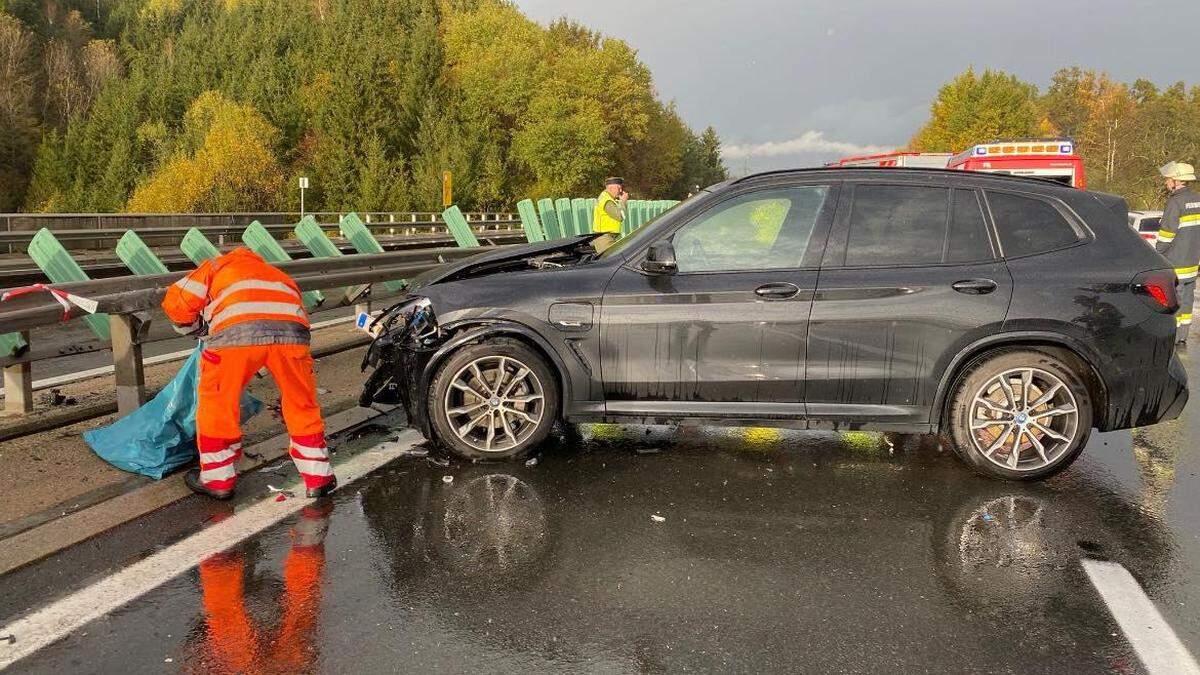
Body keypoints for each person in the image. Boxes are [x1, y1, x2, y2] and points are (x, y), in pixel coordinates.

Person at [162, 247, 336, 499]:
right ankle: (319, 477)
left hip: (236, 337)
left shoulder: (215, 267)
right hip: (293, 337)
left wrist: (195, 329)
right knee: (301, 404)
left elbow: (176, 302)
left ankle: (218, 481)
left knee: (218, 405)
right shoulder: (276, 274)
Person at [1155, 161, 1200, 343]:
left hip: (1175, 264)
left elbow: (1166, 235)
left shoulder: (1175, 202)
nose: (1166, 182)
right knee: (1187, 301)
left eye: (1168, 179)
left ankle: (1172, 336)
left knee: (1173, 301)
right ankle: (1182, 336)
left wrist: (1156, 254)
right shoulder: (1197, 200)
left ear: (1176, 181)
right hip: (1192, 263)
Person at [592, 176, 628, 252]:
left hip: (606, 237)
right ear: (610, 188)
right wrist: (623, 202)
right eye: (618, 188)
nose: (621, 190)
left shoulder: (606, 198)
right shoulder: (607, 200)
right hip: (605, 239)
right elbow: (621, 216)